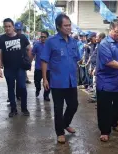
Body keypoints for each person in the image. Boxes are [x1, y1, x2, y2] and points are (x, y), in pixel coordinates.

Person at [41, 14, 80, 144]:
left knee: (73, 105)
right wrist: (45, 79)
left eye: (70, 25)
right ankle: (60, 133)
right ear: (58, 26)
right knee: (58, 108)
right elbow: (44, 61)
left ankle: (65, 123)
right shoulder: (51, 42)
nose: (69, 28)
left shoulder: (74, 42)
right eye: (66, 25)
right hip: (57, 81)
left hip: (71, 81)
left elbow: (77, 59)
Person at [0, 18, 31, 117]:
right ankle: (13, 109)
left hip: (20, 68)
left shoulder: (22, 37)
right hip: (8, 68)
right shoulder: (1, 39)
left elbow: (29, 49)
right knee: (11, 88)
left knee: (22, 87)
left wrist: (29, 61)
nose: (7, 28)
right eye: (5, 26)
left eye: (9, 26)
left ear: (13, 27)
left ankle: (24, 108)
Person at [32, 30, 50, 101]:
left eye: (44, 37)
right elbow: (32, 54)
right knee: (37, 81)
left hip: (48, 68)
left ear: (47, 38)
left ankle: (46, 95)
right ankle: (38, 89)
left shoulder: (50, 45)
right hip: (38, 68)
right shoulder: (36, 45)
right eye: (41, 37)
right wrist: (29, 64)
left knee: (48, 82)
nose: (43, 38)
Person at [87, 32, 106, 103]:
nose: (96, 38)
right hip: (94, 66)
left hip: (98, 68)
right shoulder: (98, 45)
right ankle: (96, 97)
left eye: (97, 37)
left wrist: (95, 68)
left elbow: (100, 59)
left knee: (97, 83)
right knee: (95, 82)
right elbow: (93, 55)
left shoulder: (103, 46)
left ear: (101, 38)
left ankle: (98, 98)